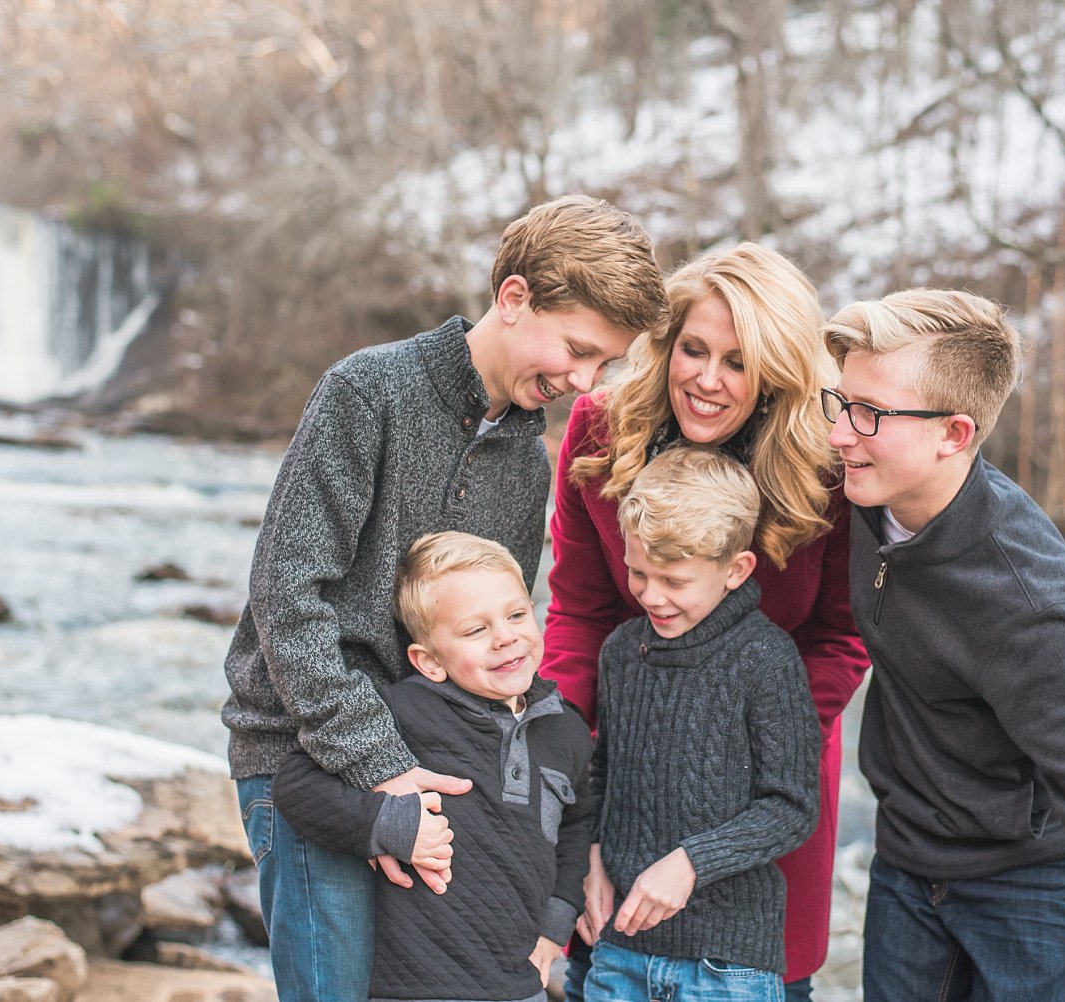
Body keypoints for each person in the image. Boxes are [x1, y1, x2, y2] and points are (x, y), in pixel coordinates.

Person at [221, 195, 667, 1002]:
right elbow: (287, 591)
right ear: (514, 297)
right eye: (576, 350)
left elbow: (495, 646)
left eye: (603, 365)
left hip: (428, 791)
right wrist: (383, 767)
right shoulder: (370, 391)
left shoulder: (528, 461)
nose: (582, 382)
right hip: (309, 767)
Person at [819, 288, 1065, 1002]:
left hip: (1031, 889)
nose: (839, 433)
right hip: (905, 864)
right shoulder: (870, 487)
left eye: (868, 414)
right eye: (840, 402)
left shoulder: (1030, 607)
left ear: (954, 434)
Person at [541, 242, 868, 1001]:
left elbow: (842, 638)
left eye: (738, 361)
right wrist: (568, 789)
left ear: (778, 371)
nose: (707, 380)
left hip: (765, 772)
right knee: (607, 959)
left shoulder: (827, 467)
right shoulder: (599, 431)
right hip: (622, 772)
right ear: (666, 344)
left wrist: (747, 744)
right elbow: (580, 616)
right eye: (693, 349)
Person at [271, 532, 595, 1002]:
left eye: (517, 614)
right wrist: (388, 825)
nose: (506, 637)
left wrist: (555, 925)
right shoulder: (402, 713)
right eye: (475, 630)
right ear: (430, 661)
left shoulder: (564, 727)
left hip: (520, 984)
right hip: (413, 986)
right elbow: (295, 784)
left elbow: (577, 824)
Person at [577, 446, 820, 1002]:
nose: (651, 596)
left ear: (736, 571)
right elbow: (602, 774)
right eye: (638, 573)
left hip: (725, 967)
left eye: (674, 581)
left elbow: (791, 806)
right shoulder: (621, 652)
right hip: (619, 953)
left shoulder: (765, 659)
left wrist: (691, 863)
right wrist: (590, 854)